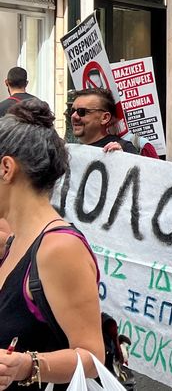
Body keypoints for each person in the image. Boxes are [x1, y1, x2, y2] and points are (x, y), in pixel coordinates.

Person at [0, 99, 105, 389]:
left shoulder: (59, 248)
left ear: (6, 168)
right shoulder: (16, 240)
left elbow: (92, 357)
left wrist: (25, 366)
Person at [70, 88, 137, 154]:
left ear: (105, 118)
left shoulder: (121, 149)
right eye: (72, 111)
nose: (73, 116)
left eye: (81, 111)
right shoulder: (69, 150)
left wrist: (121, 157)